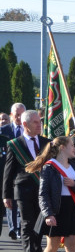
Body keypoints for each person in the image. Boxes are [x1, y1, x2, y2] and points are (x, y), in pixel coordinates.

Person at [3, 109, 50, 252]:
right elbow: (8, 172)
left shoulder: (47, 143)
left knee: (40, 223)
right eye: (36, 122)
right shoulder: (15, 144)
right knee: (27, 223)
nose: (39, 125)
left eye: (40, 122)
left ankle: (36, 251)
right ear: (25, 124)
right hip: (23, 190)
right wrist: (6, 195)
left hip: (43, 191)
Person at [2, 103, 26, 241]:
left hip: (24, 172)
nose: (18, 117)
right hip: (8, 169)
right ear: (11, 115)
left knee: (21, 201)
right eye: (16, 115)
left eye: (21, 114)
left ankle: (20, 227)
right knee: (10, 199)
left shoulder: (29, 130)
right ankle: (13, 228)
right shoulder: (3, 131)